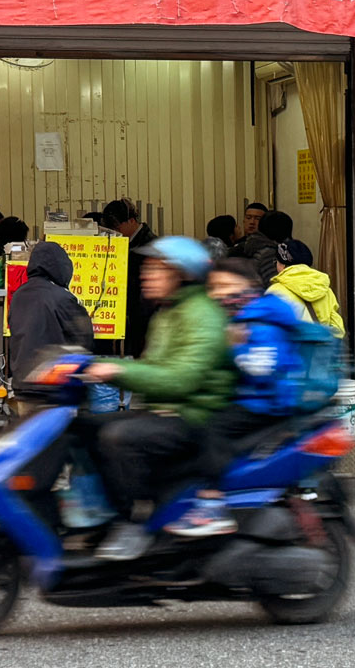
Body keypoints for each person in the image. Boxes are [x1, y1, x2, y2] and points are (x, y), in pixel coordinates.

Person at [82, 236, 235, 560]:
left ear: (181, 274)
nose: (145, 275)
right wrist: (89, 364)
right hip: (165, 410)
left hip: (193, 416)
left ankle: (136, 520)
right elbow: (152, 367)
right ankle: (101, 514)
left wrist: (117, 372)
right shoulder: (166, 313)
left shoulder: (202, 314)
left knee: (117, 437)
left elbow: (181, 379)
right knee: (84, 425)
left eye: (156, 269)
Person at [167, 258, 322, 536]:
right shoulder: (250, 315)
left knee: (212, 428)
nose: (218, 294)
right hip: (259, 397)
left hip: (269, 402)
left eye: (226, 286)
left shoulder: (259, 319)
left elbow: (262, 368)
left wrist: (236, 346)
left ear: (248, 286)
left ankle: (212, 505)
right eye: (214, 287)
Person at [7, 241, 94, 415]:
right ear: (61, 268)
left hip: (22, 387)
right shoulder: (62, 298)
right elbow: (85, 339)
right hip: (54, 389)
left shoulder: (18, 296)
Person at [100, 198, 157, 359]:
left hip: (144, 316)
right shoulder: (125, 243)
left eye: (117, 227)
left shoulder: (149, 246)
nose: (115, 231)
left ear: (132, 221)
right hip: (130, 315)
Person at [267, 239, 345, 335]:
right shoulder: (325, 290)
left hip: (292, 349)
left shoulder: (275, 292)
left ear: (282, 264)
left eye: (276, 261)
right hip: (319, 348)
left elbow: (270, 332)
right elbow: (338, 330)